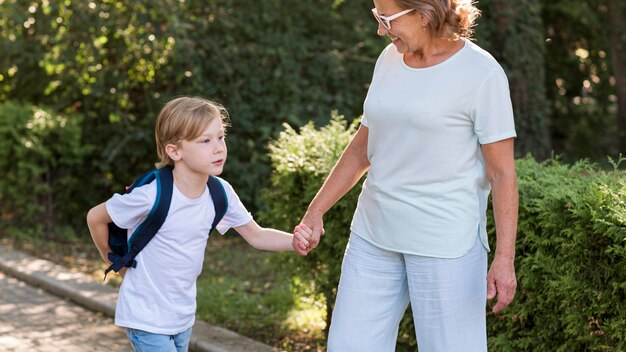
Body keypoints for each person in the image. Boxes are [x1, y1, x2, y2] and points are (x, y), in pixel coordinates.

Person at [293, 0, 518, 351]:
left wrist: (504, 259)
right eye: (376, 17)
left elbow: (503, 173)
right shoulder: (388, 60)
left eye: (387, 19)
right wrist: (316, 209)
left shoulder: (482, 73)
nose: (380, 30)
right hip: (373, 235)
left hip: (445, 246)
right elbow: (361, 148)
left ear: (424, 14)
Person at [87, 96, 311, 352]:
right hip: (145, 315)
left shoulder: (220, 192)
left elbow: (256, 235)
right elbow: (96, 217)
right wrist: (114, 261)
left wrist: (295, 241)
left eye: (220, 137)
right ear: (174, 151)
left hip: (182, 315)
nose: (218, 148)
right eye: (205, 140)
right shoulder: (151, 196)